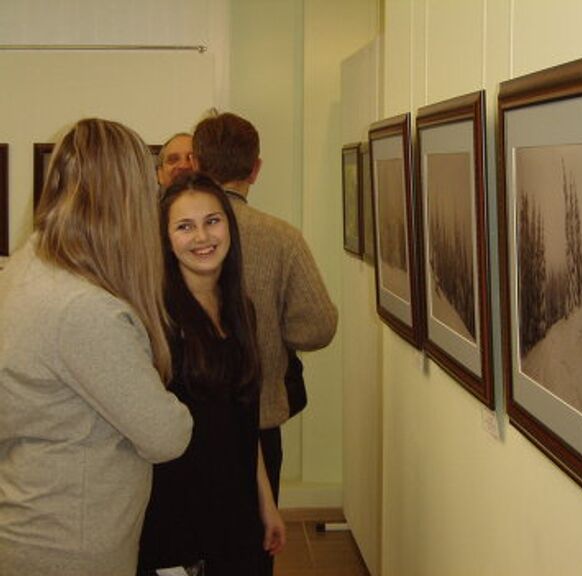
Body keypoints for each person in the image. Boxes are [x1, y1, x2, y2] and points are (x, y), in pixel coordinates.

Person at [0, 118, 193, 576]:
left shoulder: (28, 264)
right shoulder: (83, 309)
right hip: (70, 544)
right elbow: (167, 437)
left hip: (33, 516)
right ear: (123, 199)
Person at [193, 112, 337, 574]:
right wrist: (275, 333)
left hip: (184, 421)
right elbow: (318, 327)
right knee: (252, 552)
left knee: (192, 548)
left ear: (195, 163)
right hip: (258, 418)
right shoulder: (281, 237)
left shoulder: (166, 232)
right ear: (256, 168)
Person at [137, 173, 286, 575]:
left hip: (236, 515)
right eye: (184, 226)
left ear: (230, 227)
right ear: (166, 239)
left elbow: (244, 418)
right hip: (176, 522)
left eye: (212, 221)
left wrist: (266, 503)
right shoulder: (155, 318)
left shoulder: (242, 309)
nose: (202, 237)